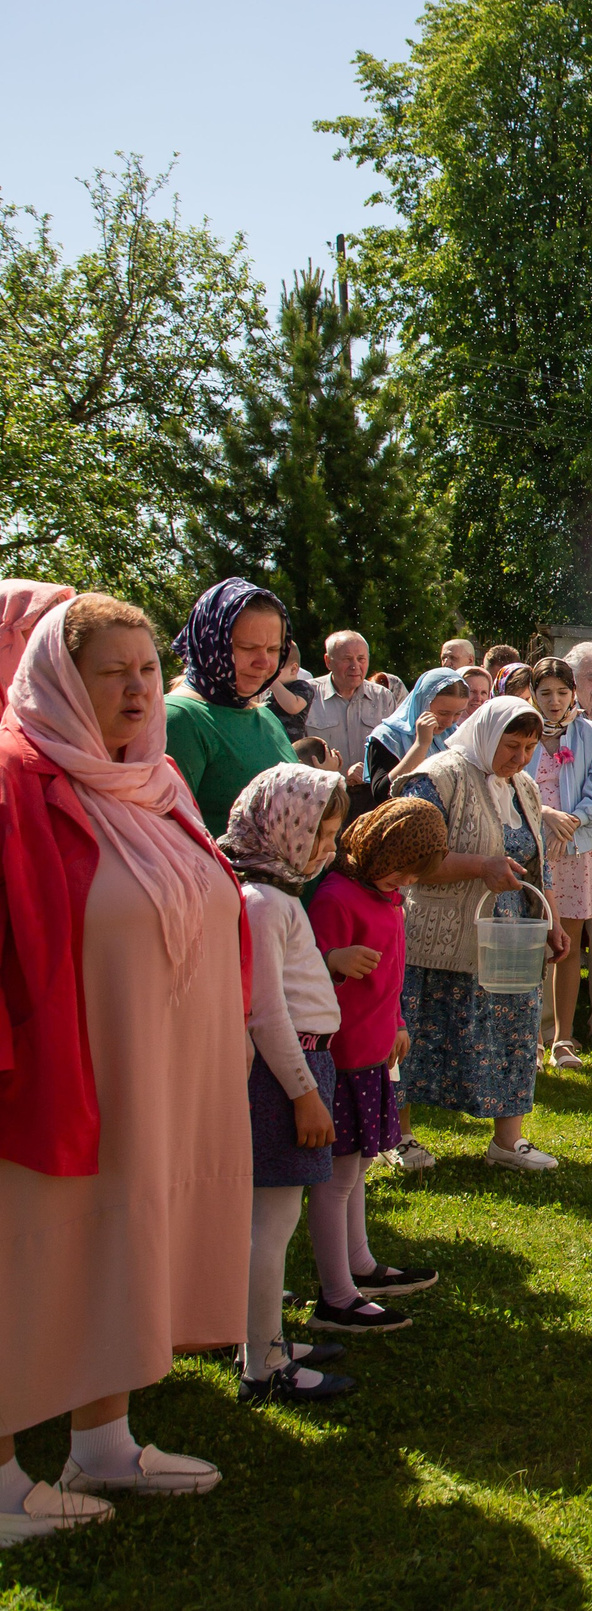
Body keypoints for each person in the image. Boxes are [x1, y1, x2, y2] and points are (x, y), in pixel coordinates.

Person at [0, 596, 249, 1542]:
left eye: (149, 667)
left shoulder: (160, 779)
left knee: (117, 1246)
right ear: (64, 680)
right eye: (115, 671)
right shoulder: (15, 778)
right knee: (29, 1255)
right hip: (54, 1069)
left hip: (156, 1070)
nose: (141, 687)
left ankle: (103, 1439)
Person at [222, 762, 364, 1399]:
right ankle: (263, 1362)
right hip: (287, 1074)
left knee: (272, 1218)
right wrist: (304, 1092)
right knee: (270, 1224)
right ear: (285, 826)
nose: (329, 850)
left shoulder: (277, 896)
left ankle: (264, 1335)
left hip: (305, 1065)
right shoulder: (264, 902)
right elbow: (264, 1010)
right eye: (321, 836)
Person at [394, 696, 569, 1171]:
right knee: (420, 1030)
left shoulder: (524, 788)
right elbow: (407, 855)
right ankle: (400, 1135)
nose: (520, 758)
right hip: (442, 934)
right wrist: (480, 866)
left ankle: (507, 1142)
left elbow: (539, 862)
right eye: (511, 745)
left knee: (513, 1027)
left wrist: (550, 920)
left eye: (530, 747)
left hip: (510, 936)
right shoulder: (437, 777)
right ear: (488, 734)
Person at [305, 799, 445, 1337]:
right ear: (375, 848)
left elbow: (390, 975)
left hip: (370, 1053)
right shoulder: (338, 899)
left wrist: (399, 1021)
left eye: (414, 874)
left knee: (358, 1167)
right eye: (403, 868)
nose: (407, 880)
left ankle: (360, 1265)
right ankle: (337, 1294)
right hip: (337, 1059)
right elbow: (302, 972)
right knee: (337, 1178)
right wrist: (332, 963)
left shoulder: (385, 897)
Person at [163, 576, 299, 830]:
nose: (265, 663)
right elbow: (166, 839)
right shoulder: (178, 719)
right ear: (210, 644)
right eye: (248, 647)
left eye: (273, 650)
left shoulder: (265, 717)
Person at [527, 658, 592, 1067]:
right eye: (546, 693)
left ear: (573, 692)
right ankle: (532, 1037)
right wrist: (545, 816)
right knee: (531, 943)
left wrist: (570, 825)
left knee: (568, 945)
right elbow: (509, 786)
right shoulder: (520, 731)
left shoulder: (591, 735)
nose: (555, 701)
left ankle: (563, 1038)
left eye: (562, 692)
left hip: (575, 851)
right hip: (530, 848)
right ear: (533, 695)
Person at [306, 630, 397, 790]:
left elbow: (394, 749)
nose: (355, 666)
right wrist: (339, 776)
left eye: (361, 659)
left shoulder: (383, 697)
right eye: (347, 659)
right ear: (328, 661)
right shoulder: (307, 696)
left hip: (371, 797)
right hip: (325, 797)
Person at [365, 667, 469, 790]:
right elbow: (381, 792)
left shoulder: (454, 735)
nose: (449, 722)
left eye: (458, 714)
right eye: (443, 713)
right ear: (422, 703)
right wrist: (421, 745)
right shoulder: (387, 737)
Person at [266, 640, 315, 743]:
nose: (268, 673)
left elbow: (293, 707)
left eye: (274, 669)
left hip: (291, 745)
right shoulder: (270, 691)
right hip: (271, 741)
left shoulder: (302, 687)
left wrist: (273, 682)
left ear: (293, 669)